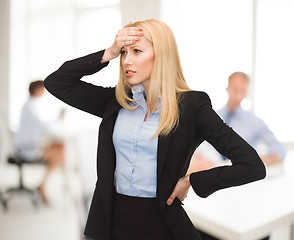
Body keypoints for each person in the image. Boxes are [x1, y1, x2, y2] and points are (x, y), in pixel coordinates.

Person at [44, 19, 266, 240]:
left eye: (137, 51)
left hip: (162, 224)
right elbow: (56, 83)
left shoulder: (191, 106)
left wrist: (192, 181)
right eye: (124, 52)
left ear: (161, 55)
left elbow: (252, 166)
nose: (126, 61)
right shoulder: (117, 101)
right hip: (113, 222)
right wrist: (109, 51)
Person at [188, 71, 286, 175]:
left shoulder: (255, 122)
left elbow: (279, 149)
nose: (238, 96)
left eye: (242, 91)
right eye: (235, 90)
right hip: (208, 168)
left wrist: (266, 159)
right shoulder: (211, 116)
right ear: (227, 89)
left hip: (238, 174)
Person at [13, 80, 64, 203]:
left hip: (29, 144)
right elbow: (42, 126)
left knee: (59, 148)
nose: (44, 92)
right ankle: (45, 185)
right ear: (36, 90)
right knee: (58, 152)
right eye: (42, 89)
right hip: (26, 148)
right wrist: (58, 119)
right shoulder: (29, 107)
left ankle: (44, 184)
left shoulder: (31, 105)